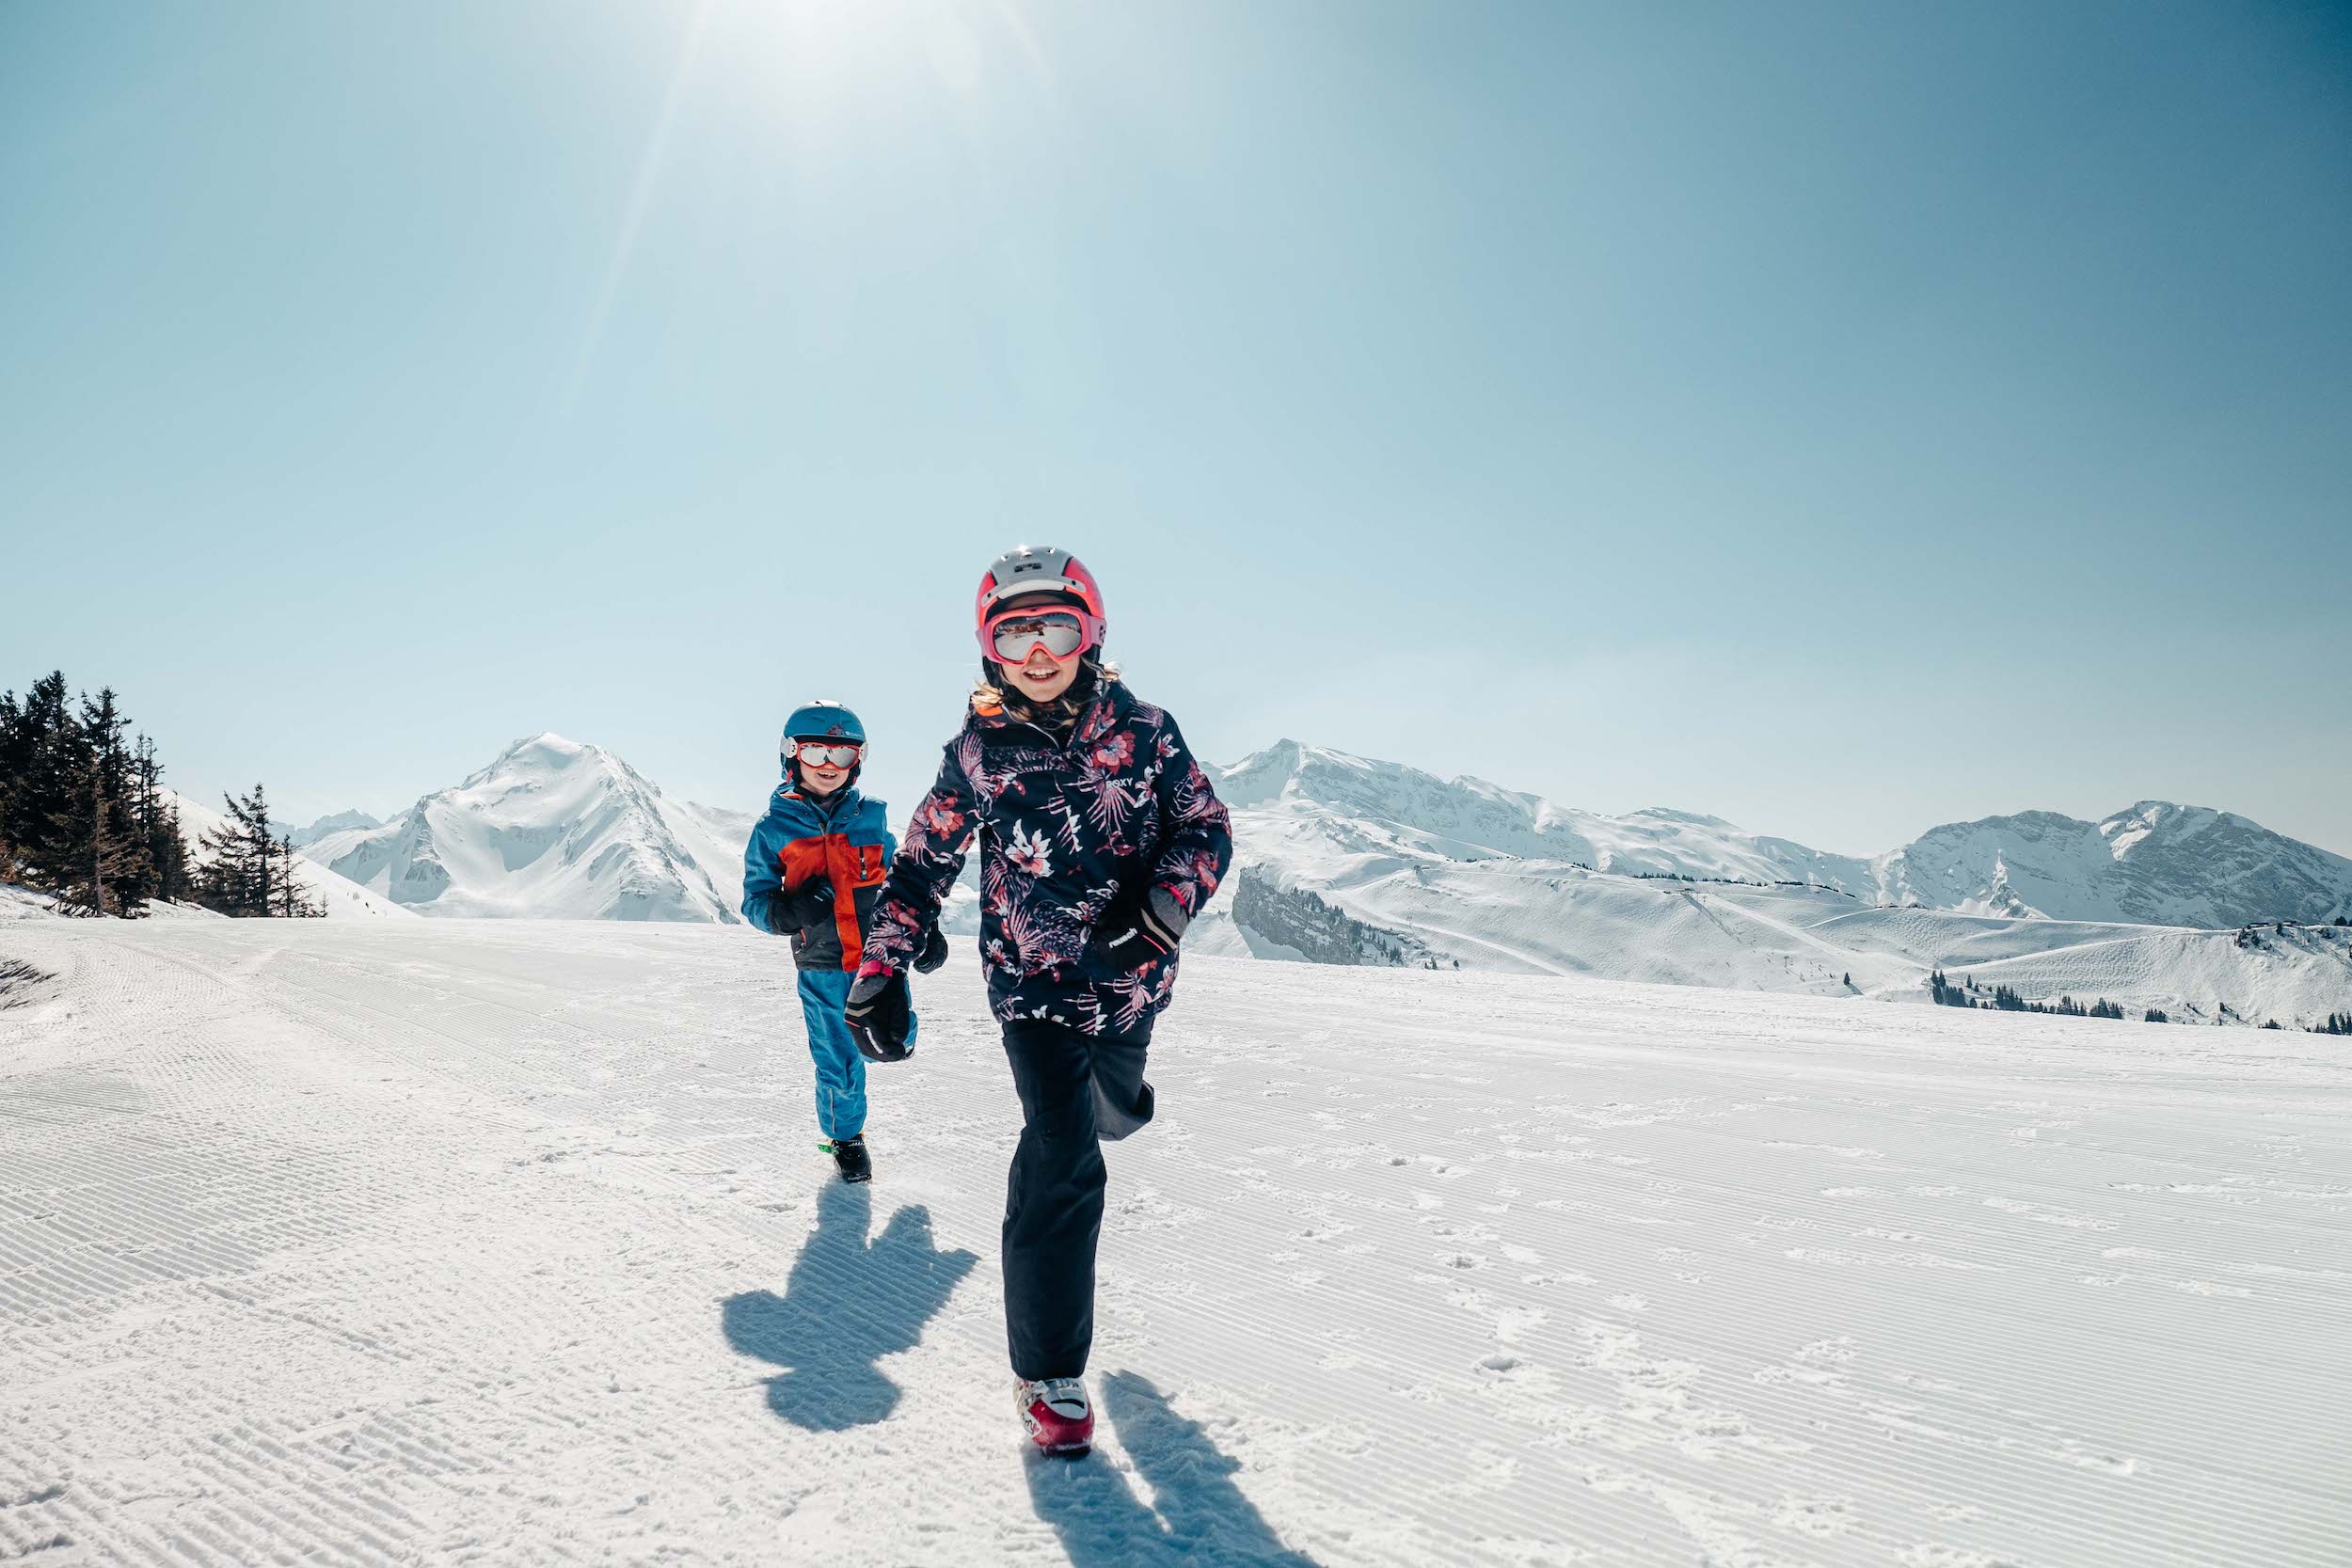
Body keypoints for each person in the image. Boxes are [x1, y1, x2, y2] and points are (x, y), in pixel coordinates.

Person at [844, 546, 1232, 1457]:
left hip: (1133, 979)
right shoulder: (977, 751)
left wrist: (1165, 908)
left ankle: (1112, 1104)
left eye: (1055, 625)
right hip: (1031, 984)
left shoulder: (1145, 729)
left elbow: (1204, 825)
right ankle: (1049, 1373)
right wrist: (881, 964)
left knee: (1113, 1113)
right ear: (989, 646)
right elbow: (921, 861)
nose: (1036, 647)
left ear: (1089, 632)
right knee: (1059, 1152)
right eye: (1012, 629)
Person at [741, 700, 946, 1184]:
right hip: (823, 966)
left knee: (889, 1044)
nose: (829, 767)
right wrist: (789, 912)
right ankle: (846, 1139)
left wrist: (924, 929)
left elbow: (902, 884)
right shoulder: (773, 830)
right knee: (839, 1061)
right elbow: (755, 903)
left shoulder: (872, 819)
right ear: (792, 757)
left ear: (858, 761)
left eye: (843, 755)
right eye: (815, 753)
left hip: (878, 957)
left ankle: (888, 1042)